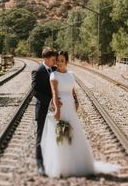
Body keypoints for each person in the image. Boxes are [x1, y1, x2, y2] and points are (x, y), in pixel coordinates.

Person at [40, 50, 119, 177]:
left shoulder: (71, 74)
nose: (59, 63)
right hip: (62, 107)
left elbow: (72, 90)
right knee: (61, 135)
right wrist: (57, 111)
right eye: (58, 61)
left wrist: (77, 101)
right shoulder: (54, 75)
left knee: (73, 134)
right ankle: (63, 167)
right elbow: (55, 94)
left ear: (66, 62)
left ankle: (77, 164)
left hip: (71, 107)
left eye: (62, 61)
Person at [31, 46, 57, 175]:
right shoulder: (38, 71)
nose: (55, 61)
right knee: (41, 137)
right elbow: (34, 91)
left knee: (53, 136)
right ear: (46, 59)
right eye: (53, 59)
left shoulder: (54, 69)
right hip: (42, 109)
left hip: (55, 110)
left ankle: (51, 162)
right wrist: (50, 101)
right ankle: (40, 165)